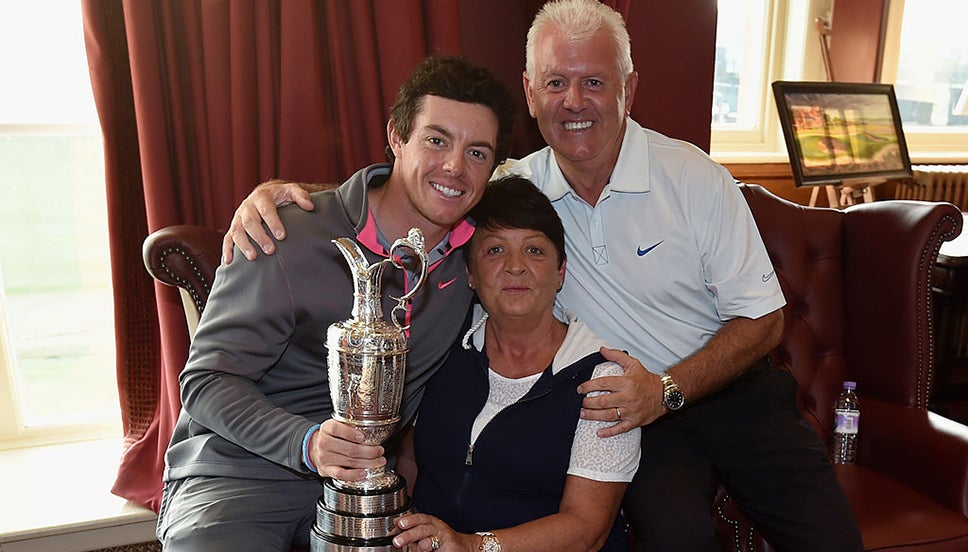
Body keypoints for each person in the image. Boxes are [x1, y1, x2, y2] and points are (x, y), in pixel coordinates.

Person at [225, 1, 864, 550]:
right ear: (530, 94)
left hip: (727, 390)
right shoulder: (511, 185)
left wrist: (666, 390)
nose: (574, 101)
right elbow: (422, 185)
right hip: (628, 412)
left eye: (594, 82)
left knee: (830, 536)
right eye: (556, 83)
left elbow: (764, 319)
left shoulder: (694, 178)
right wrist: (288, 198)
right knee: (676, 536)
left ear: (629, 89)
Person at [155, 55, 517, 552]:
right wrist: (306, 444)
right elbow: (206, 380)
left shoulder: (477, 261)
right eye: (436, 140)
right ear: (397, 137)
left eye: (477, 152)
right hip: (238, 477)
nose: (455, 167)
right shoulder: (285, 234)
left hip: (371, 491)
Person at [391, 177, 640, 552]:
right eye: (495, 250)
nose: (515, 267)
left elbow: (586, 530)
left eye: (534, 251)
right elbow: (411, 460)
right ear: (470, 273)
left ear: (560, 271)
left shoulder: (604, 380)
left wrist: (473, 546)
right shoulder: (442, 346)